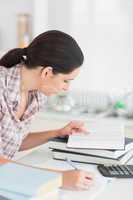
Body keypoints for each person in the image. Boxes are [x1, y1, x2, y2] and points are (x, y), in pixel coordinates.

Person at [0, 30, 93, 190]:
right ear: (47, 72)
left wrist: (57, 133)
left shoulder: (36, 95)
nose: (66, 88)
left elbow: (12, 143)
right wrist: (59, 179)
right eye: (66, 80)